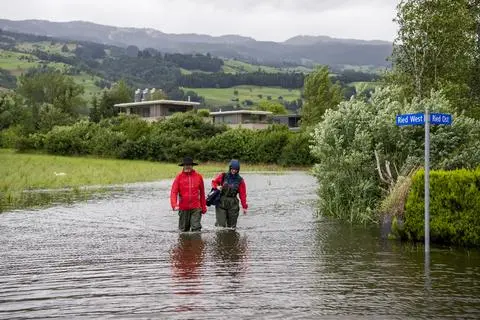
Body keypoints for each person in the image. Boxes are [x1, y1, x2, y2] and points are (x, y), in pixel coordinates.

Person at [170, 156, 207, 232]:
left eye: (189, 165)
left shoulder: (199, 177)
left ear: (192, 166)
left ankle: (196, 243)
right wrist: (174, 205)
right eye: (186, 165)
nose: (188, 167)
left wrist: (203, 207)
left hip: (196, 207)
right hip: (183, 208)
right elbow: (173, 192)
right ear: (183, 166)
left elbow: (202, 193)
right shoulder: (179, 177)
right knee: (183, 231)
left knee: (196, 229)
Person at [211, 159, 248, 229]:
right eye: (233, 169)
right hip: (221, 202)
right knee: (221, 226)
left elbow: (243, 195)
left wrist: (244, 207)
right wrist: (217, 186)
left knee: (231, 227)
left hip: (233, 204)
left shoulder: (240, 180)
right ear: (230, 168)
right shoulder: (223, 176)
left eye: (236, 169)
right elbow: (214, 182)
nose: (234, 171)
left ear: (238, 170)